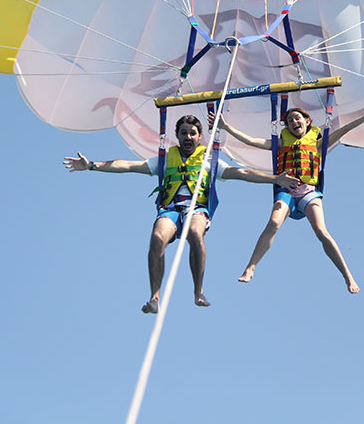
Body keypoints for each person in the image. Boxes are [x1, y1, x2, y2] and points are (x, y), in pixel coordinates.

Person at [63, 115, 298, 313]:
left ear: (199, 136)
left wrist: (275, 179)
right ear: (178, 137)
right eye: (184, 133)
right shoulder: (166, 160)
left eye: (192, 133)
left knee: (195, 233)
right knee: (156, 238)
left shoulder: (210, 160)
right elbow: (128, 166)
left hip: (197, 208)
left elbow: (243, 172)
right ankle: (155, 297)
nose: (188, 137)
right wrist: (92, 165)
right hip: (170, 208)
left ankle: (199, 291)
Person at [214, 103, 364, 294]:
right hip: (287, 189)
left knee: (322, 232)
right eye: (290, 121)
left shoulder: (317, 142)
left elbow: (346, 129)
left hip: (308, 191)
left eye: (297, 118)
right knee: (273, 223)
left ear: (307, 121)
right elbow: (252, 141)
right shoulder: (282, 142)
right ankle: (250, 267)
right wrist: (226, 128)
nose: (293, 122)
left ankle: (347, 275)